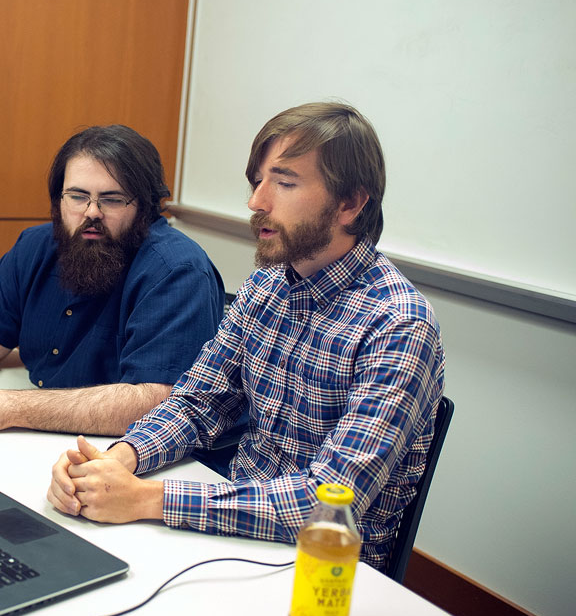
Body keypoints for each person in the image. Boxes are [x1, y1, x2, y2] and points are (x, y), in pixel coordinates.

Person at [47, 102, 446, 571]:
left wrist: (146, 499)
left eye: (285, 182)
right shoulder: (266, 286)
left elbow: (327, 503)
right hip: (232, 540)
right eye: (257, 181)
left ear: (351, 203)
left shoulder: (398, 325)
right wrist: (118, 459)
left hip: (323, 575)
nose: (257, 201)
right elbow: (197, 404)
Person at [0, 124, 225, 435]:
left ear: (145, 207)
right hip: (39, 441)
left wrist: (12, 407)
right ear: (60, 198)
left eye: (111, 199)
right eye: (77, 196)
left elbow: (156, 402)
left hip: (133, 456)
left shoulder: (177, 270)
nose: (91, 212)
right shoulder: (35, 246)